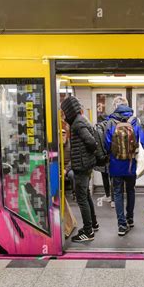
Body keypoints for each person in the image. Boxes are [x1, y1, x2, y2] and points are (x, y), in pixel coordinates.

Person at [104, 96, 144, 236]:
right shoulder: (135, 121)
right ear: (128, 106)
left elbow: (107, 144)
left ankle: (121, 225)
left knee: (117, 193)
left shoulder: (110, 122)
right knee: (130, 190)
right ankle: (130, 219)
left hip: (115, 164)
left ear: (115, 106)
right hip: (131, 164)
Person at [61, 96, 99, 242]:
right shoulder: (81, 120)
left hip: (81, 167)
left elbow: (91, 142)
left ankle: (88, 232)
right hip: (84, 165)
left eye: (64, 112)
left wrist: (85, 156)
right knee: (86, 195)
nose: (63, 115)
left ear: (69, 110)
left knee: (82, 199)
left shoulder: (77, 123)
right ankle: (93, 224)